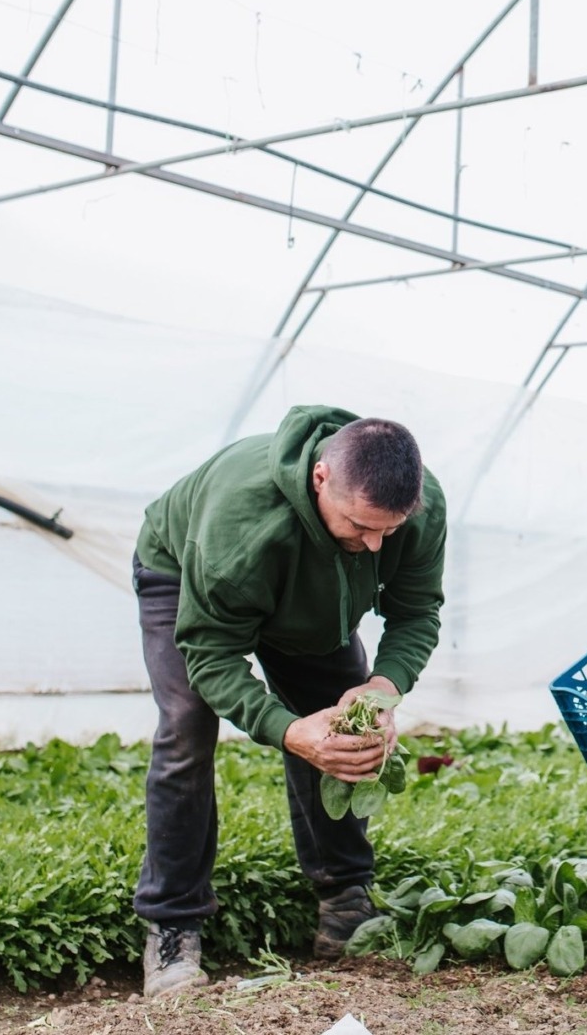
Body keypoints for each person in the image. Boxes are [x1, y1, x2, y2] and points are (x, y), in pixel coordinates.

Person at [131, 405, 446, 998]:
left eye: (390, 529)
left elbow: (416, 610)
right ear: (321, 478)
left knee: (348, 727)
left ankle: (345, 899)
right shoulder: (238, 526)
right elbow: (212, 656)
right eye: (360, 526)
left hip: (313, 600)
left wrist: (382, 687)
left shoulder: (414, 506)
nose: (375, 543)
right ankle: (172, 927)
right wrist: (288, 729)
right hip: (185, 576)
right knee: (185, 729)